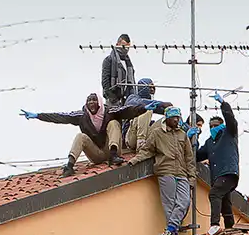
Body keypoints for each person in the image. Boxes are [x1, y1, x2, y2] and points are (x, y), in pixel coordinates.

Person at [21, 92, 151, 177]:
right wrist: (38, 116)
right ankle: (70, 165)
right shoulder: (82, 116)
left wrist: (143, 108)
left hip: (111, 149)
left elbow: (127, 111)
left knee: (113, 124)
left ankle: (113, 155)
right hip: (96, 153)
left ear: (99, 102)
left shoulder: (110, 111)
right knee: (80, 136)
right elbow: (60, 117)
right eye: (89, 101)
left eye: (94, 100)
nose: (91, 103)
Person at [127, 106, 196, 235]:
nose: (176, 120)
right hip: (165, 171)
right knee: (169, 205)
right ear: (167, 118)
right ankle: (174, 234)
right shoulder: (157, 133)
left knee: (184, 202)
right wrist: (134, 160)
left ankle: (169, 231)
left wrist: (192, 178)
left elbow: (189, 158)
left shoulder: (182, 134)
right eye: (174, 118)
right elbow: (147, 151)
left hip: (182, 173)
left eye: (178, 117)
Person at [196, 92, 241, 235]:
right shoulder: (209, 142)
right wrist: (193, 139)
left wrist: (223, 104)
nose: (213, 127)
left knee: (215, 193)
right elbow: (197, 155)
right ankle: (230, 228)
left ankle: (214, 225)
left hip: (228, 172)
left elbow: (231, 120)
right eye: (211, 126)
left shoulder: (229, 133)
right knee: (225, 202)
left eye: (216, 125)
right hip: (218, 176)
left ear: (221, 125)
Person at [122, 78, 174, 152]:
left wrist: (173, 112)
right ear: (143, 88)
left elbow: (163, 111)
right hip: (131, 138)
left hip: (146, 138)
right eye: (150, 87)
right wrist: (161, 103)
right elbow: (137, 103)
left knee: (168, 118)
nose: (152, 90)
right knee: (146, 108)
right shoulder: (132, 97)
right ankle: (140, 142)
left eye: (153, 88)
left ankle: (168, 143)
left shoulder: (150, 103)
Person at [101, 34, 135, 107]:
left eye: (127, 47)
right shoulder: (109, 60)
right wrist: (111, 97)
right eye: (123, 46)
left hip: (126, 98)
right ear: (117, 44)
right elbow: (105, 80)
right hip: (113, 98)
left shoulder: (128, 62)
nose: (126, 49)